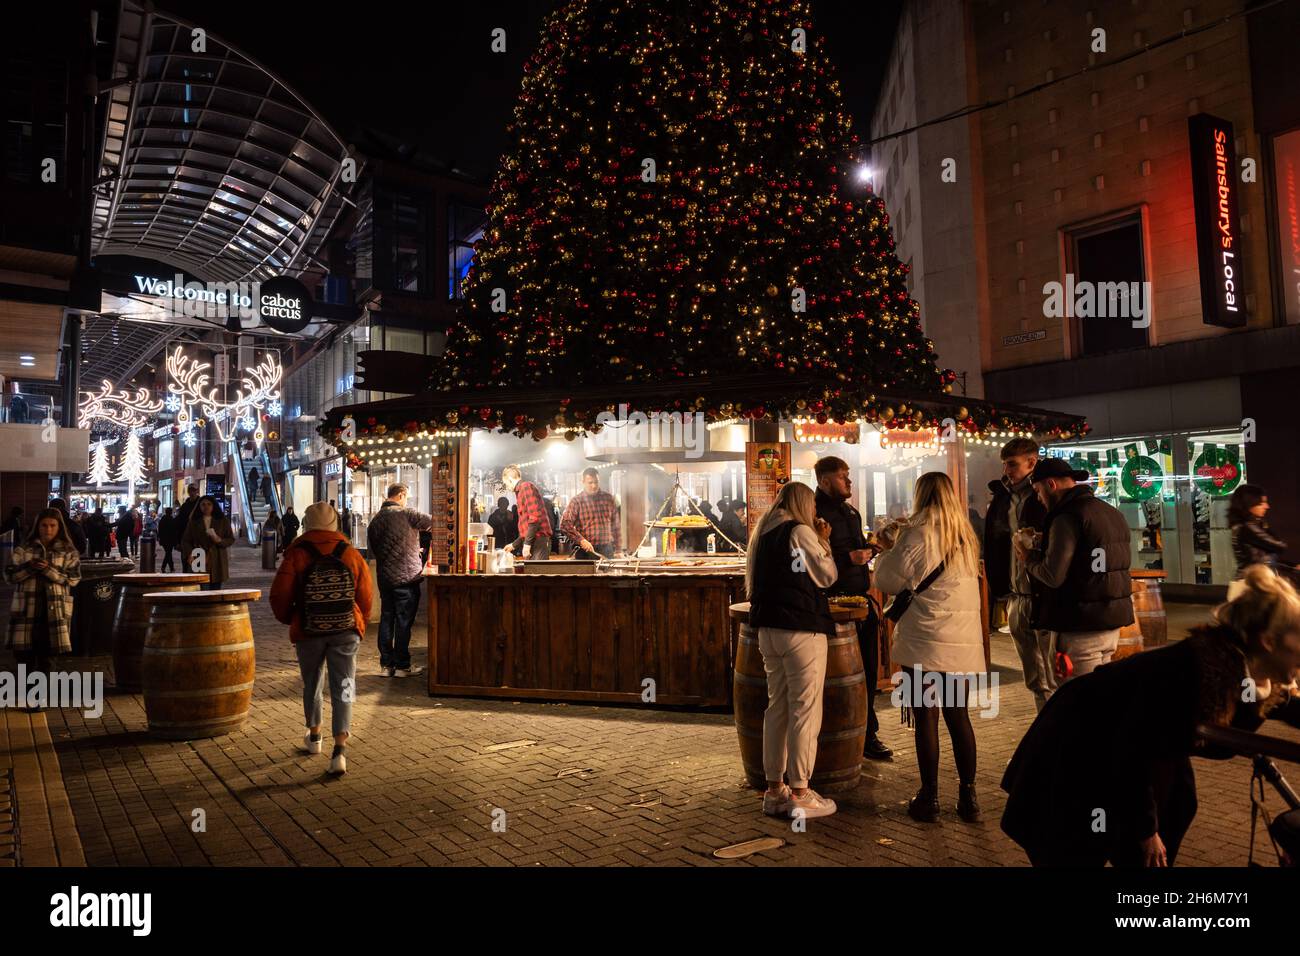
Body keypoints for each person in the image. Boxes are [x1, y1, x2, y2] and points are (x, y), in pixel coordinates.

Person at [1002, 564, 1300, 867]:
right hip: (1076, 746)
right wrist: (1146, 831)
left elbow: (1286, 707)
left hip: (1123, 758)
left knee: (1166, 818)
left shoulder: (1251, 669)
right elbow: (1133, 752)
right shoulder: (1197, 673)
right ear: (1268, 641)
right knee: (1077, 848)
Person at [874, 472, 985, 823]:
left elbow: (886, 579)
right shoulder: (965, 536)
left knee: (926, 717)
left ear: (920, 495)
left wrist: (888, 548)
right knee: (958, 716)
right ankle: (968, 797)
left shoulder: (916, 533)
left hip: (925, 639)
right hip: (961, 641)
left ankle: (930, 797)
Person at [748, 480, 840, 820]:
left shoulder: (764, 531)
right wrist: (824, 543)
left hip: (768, 629)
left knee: (777, 709)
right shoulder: (799, 532)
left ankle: (774, 791)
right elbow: (826, 575)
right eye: (813, 504)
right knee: (804, 711)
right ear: (803, 503)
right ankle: (801, 792)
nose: (815, 511)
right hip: (800, 628)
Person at [271, 502, 373, 776]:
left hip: (309, 629)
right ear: (334, 525)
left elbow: (279, 596)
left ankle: (314, 736)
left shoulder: (296, 554)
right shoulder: (350, 553)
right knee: (345, 685)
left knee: (312, 683)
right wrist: (358, 622)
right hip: (345, 630)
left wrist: (292, 617)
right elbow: (366, 596)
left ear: (306, 524)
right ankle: (340, 748)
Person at [1016, 458, 1133, 680]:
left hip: (1079, 625)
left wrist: (1027, 557)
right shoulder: (1111, 512)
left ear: (1051, 485)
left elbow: (1052, 576)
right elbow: (1091, 557)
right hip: (1111, 622)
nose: (1038, 499)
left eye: (1038, 491)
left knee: (1079, 702)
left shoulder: (1067, 517)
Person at [814, 456, 891, 760]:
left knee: (867, 672)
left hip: (861, 602)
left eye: (848, 476)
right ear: (824, 481)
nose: (849, 481)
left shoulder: (850, 511)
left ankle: (867, 733)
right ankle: (831, 736)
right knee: (834, 677)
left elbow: (857, 549)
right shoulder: (813, 512)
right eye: (843, 477)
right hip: (831, 604)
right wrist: (849, 558)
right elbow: (810, 558)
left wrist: (873, 547)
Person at [984, 437, 1054, 711]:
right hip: (1016, 596)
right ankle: (1045, 737)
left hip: (1044, 594)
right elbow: (993, 543)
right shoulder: (1003, 499)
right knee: (1035, 678)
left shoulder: (1047, 495)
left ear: (1032, 463)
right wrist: (1000, 589)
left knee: (1052, 675)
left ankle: (1057, 740)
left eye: (1012, 465)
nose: (1006, 471)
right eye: (1005, 465)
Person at [4, 508, 82, 705]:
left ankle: (39, 698)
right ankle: (27, 696)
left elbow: (73, 579)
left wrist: (48, 570)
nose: (48, 529)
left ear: (59, 527)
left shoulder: (68, 551)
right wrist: (30, 567)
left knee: (48, 658)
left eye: (52, 525)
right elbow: (9, 576)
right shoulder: (24, 550)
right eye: (44, 525)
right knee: (24, 657)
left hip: (54, 612)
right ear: (37, 527)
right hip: (26, 611)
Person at [365, 482, 433, 678]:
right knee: (403, 622)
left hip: (385, 579)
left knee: (387, 619)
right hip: (406, 579)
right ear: (401, 495)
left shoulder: (375, 521)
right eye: (407, 497)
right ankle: (403, 665)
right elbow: (436, 522)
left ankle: (387, 665)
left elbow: (375, 551)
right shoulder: (407, 514)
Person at [1228, 484, 1290, 578]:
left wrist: (1291, 566)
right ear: (1249, 504)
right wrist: (1264, 526)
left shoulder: (1246, 526)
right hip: (1253, 584)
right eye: (1261, 503)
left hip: (1255, 581)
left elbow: (1266, 557)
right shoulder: (1247, 528)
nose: (1267, 506)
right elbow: (1279, 546)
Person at [560, 467, 622, 559]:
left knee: (609, 573)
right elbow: (565, 524)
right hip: (585, 550)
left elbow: (616, 526)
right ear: (583, 482)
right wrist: (581, 540)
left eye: (596, 482)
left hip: (607, 549)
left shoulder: (608, 499)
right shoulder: (577, 501)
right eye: (590, 483)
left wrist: (618, 550)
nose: (594, 486)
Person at [180, 496, 236, 589]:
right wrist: (190, 553)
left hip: (217, 557)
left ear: (213, 506)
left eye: (209, 504)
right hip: (199, 555)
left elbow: (230, 539)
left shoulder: (222, 520)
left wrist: (219, 540)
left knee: (216, 588)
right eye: (203, 504)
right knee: (202, 586)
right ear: (199, 506)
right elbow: (186, 540)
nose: (206, 507)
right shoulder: (194, 521)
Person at [501, 465, 553, 561]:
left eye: (506, 483)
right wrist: (513, 545)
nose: (507, 487)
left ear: (510, 479)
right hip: (534, 540)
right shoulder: (520, 491)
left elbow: (534, 518)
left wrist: (527, 544)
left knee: (538, 574)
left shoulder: (525, 487)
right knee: (532, 573)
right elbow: (526, 530)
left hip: (539, 541)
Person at [175, 484, 201, 570]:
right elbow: (179, 525)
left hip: (198, 540)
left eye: (194, 490)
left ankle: (197, 582)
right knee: (186, 563)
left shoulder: (202, 504)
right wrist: (178, 541)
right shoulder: (185, 506)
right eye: (190, 490)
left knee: (197, 566)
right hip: (186, 539)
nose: (192, 492)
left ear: (197, 491)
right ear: (188, 492)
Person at [157, 506, 179, 572]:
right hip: (170, 540)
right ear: (171, 512)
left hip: (164, 540)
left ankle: (171, 568)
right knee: (168, 553)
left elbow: (159, 530)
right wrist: (176, 541)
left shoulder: (162, 520)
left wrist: (159, 538)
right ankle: (164, 567)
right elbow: (174, 531)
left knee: (168, 553)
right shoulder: (172, 520)